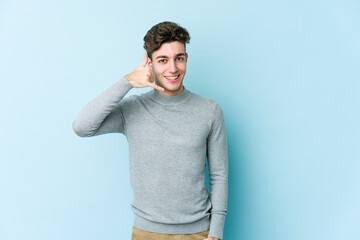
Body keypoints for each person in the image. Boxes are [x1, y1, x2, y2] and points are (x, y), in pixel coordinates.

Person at [72, 21, 228, 240]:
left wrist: (216, 232)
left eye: (179, 58)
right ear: (149, 63)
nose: (173, 69)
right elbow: (82, 126)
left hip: (199, 232)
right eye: (162, 60)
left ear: (186, 59)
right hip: (146, 233)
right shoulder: (133, 109)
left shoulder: (209, 110)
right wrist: (127, 81)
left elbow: (219, 174)